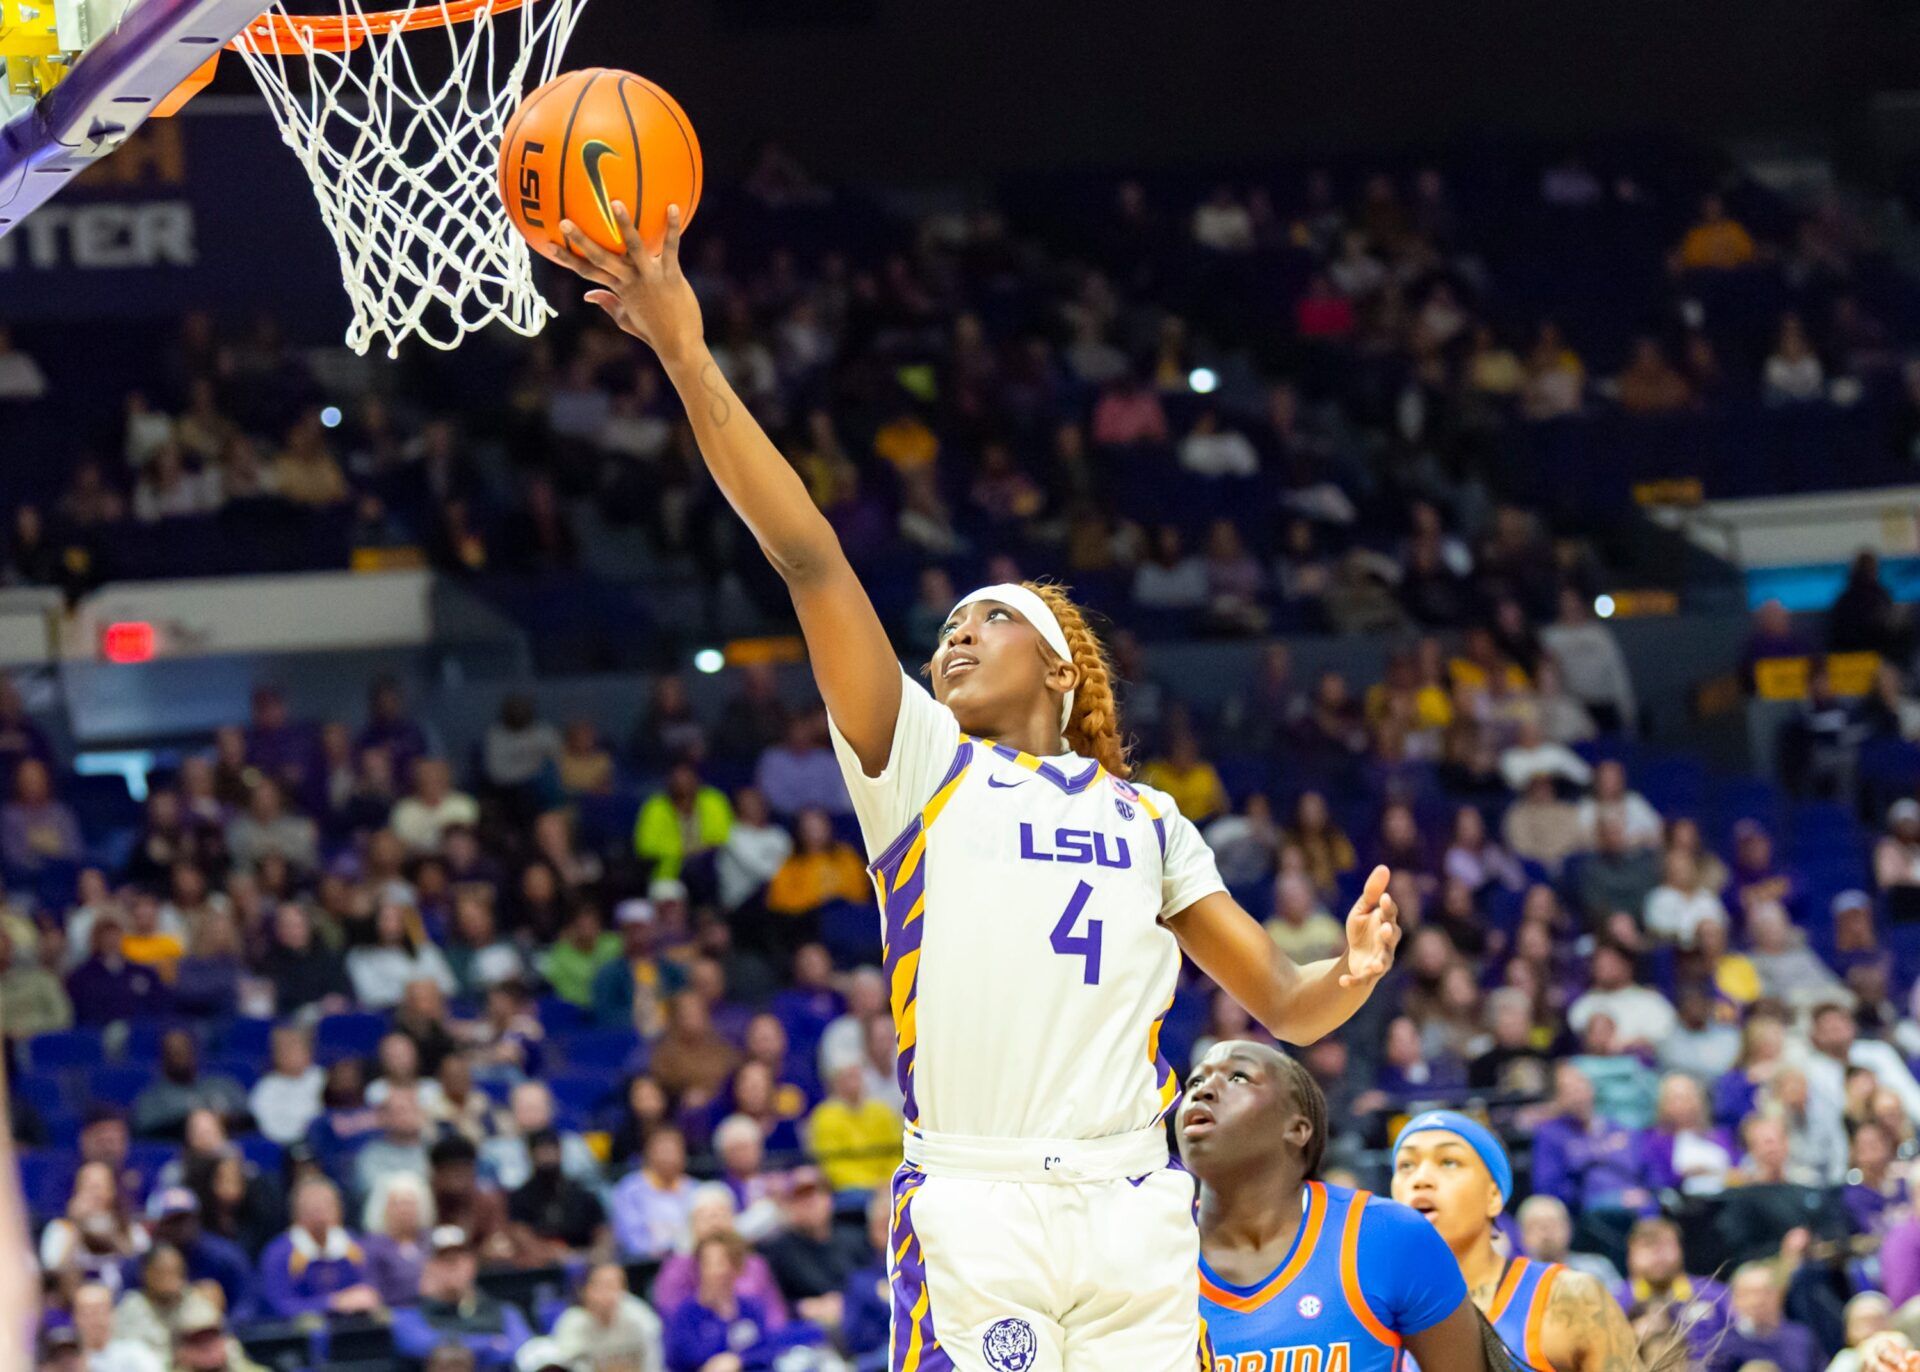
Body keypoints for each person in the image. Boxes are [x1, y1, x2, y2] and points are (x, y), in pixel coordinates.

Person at [552, 195, 1403, 1372]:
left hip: (1132, 1198)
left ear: (1058, 663)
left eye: (984, 619)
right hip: (978, 1194)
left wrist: (1349, 974)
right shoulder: (919, 759)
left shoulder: (1151, 820)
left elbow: (1288, 1004)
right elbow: (808, 555)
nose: (952, 636)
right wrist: (689, 355)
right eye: (946, 624)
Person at [1178, 1041, 1504, 1371]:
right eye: (1194, 1081)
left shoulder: (1387, 1236)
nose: (1203, 1090)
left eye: (1238, 1077)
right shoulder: (1154, 1252)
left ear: (1297, 1128)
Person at [1389, 1113, 1650, 1371]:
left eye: (1448, 1162)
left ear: (1493, 1196)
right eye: (1406, 1165)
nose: (1420, 1179)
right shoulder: (1367, 1312)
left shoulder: (1569, 1298)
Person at [391, 1227, 532, 1370]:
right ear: (428, 1267)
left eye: (459, 1259)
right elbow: (419, 1344)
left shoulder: (504, 1311)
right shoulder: (410, 1315)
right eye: (444, 1261)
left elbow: (524, 1350)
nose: (453, 1267)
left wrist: (459, 1344)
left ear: (472, 1264)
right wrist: (491, 1343)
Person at [255, 1178, 381, 1319]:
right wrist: (332, 1303)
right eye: (313, 1207)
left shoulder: (353, 1246)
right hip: (300, 1335)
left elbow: (369, 1287)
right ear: (296, 1212)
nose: (320, 1213)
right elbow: (278, 1306)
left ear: (339, 1210)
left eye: (326, 1205)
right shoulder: (278, 1253)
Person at [550, 1262, 666, 1372]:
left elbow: (654, 1365)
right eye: (601, 1285)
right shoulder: (572, 1323)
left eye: (615, 1285)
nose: (609, 1293)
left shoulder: (640, 1317)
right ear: (585, 1290)